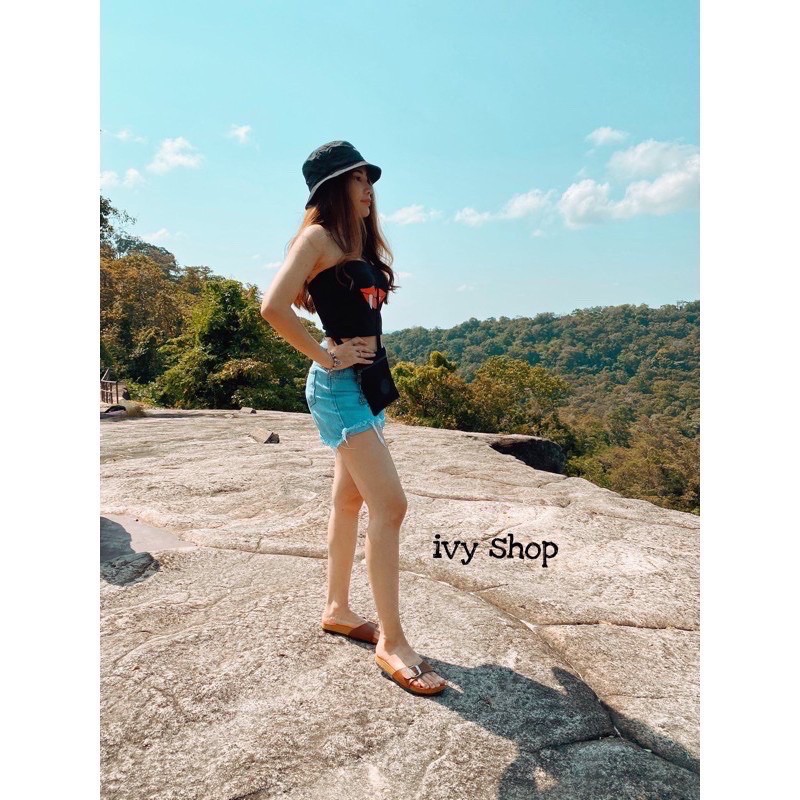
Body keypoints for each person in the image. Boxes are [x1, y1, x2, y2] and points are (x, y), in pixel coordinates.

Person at [260, 141, 446, 695]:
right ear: (334, 188)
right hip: (339, 387)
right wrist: (326, 356)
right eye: (359, 180)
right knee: (392, 505)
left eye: (369, 180)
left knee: (349, 501)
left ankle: (337, 609)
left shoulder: (354, 242)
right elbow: (272, 306)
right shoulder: (317, 238)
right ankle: (393, 642)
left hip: (367, 384)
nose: (369, 190)